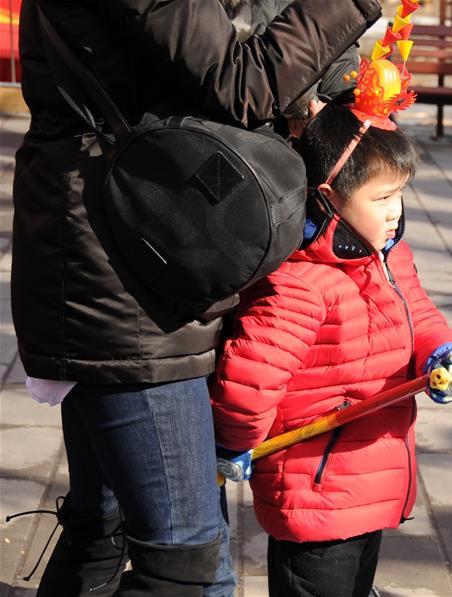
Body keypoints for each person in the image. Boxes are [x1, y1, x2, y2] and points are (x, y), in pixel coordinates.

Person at [11, 1, 382, 595]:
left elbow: (221, 40)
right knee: (187, 567)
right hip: (124, 273)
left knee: (101, 530)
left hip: (138, 240)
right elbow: (244, 83)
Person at [209, 20, 452, 594]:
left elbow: (419, 317)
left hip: (372, 477)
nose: (394, 212)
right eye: (381, 198)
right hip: (317, 487)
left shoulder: (387, 256)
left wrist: (444, 352)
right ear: (329, 196)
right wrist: (230, 445)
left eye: (400, 195)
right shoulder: (302, 283)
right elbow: (250, 378)